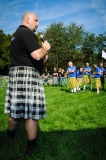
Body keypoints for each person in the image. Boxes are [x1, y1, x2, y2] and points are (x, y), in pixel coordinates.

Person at [4, 12, 51, 156]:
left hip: (17, 74)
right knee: (31, 113)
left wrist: (42, 59)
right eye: (36, 21)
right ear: (28, 20)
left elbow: (28, 57)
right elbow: (36, 55)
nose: (38, 24)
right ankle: (31, 146)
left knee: (15, 110)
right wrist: (45, 49)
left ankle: (10, 137)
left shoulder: (16, 34)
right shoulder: (27, 33)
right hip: (28, 76)